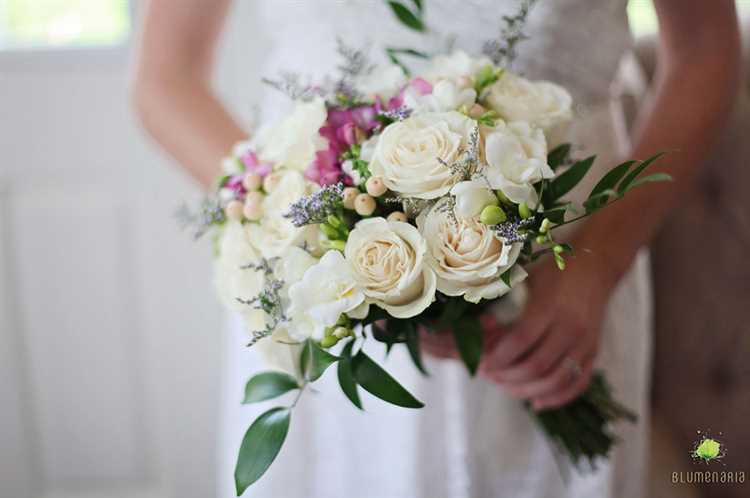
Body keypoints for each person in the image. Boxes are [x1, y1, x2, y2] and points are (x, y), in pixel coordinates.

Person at [133, 1, 741, 497]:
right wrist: (314, 239)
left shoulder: (586, 274)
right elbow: (166, 80)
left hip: (571, 272)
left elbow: (704, 49)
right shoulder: (322, 254)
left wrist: (595, 269)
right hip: (327, 292)